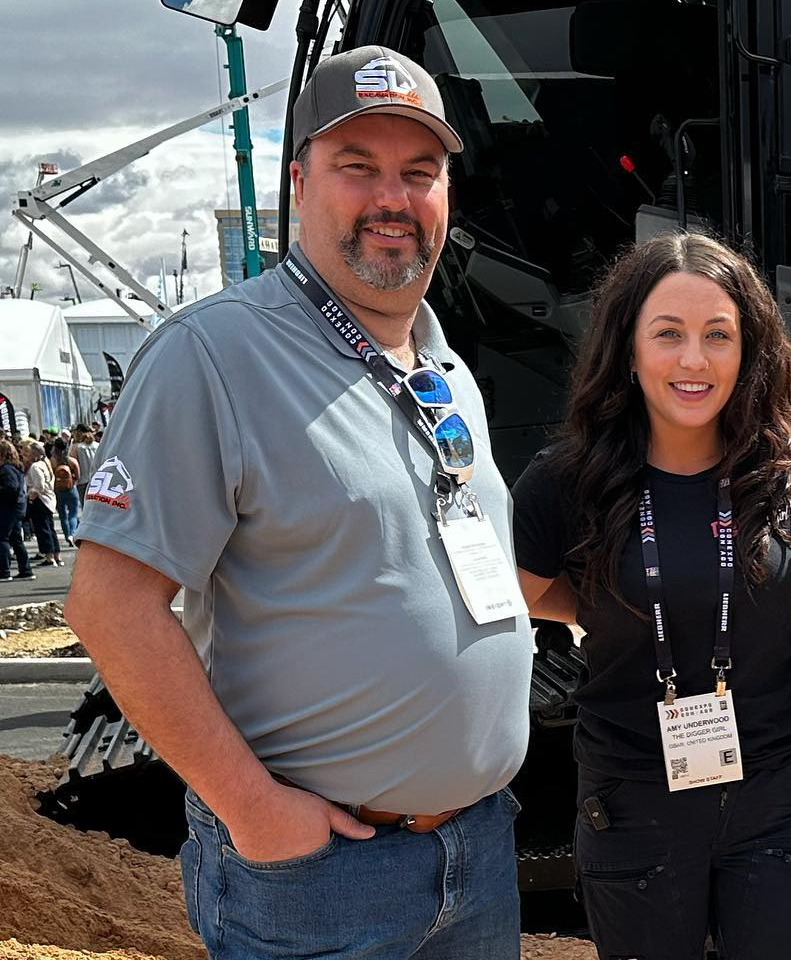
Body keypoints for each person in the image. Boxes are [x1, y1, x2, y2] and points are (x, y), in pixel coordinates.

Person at [65, 46, 532, 960]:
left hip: (475, 854)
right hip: (321, 880)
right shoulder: (214, 355)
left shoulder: (443, 367)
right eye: (358, 167)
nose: (393, 198)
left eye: (420, 172)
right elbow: (109, 606)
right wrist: (253, 809)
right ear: (299, 183)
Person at [511, 232, 791, 960]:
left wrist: (748, 633)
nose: (694, 360)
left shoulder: (790, 475)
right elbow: (520, 601)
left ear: (750, 350)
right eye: (668, 334)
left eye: (718, 335)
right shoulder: (565, 483)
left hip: (774, 797)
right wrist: (618, 615)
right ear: (628, 351)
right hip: (634, 801)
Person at [0, 440, 35, 581]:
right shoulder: (16, 467)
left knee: (2, 538)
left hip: (9, 508)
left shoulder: (6, 469)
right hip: (18, 507)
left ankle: (4, 571)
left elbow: (11, 488)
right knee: (16, 539)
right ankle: (26, 570)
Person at [24, 441, 60, 567]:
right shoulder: (46, 463)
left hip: (40, 500)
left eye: (27, 452)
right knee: (50, 528)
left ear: (33, 453)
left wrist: (32, 496)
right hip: (49, 499)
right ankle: (56, 555)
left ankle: (49, 557)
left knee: (43, 529)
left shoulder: (35, 466)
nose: (25, 455)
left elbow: (39, 485)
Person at [50, 438, 81, 546]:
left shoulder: (53, 461)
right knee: (73, 514)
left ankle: (67, 535)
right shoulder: (71, 461)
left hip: (58, 490)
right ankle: (72, 534)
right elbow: (78, 476)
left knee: (62, 515)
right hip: (71, 489)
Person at [72, 425, 99, 509]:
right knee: (97, 506)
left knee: (85, 506)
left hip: (82, 480)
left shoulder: (76, 447)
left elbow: (73, 463)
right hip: (97, 481)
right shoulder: (98, 446)